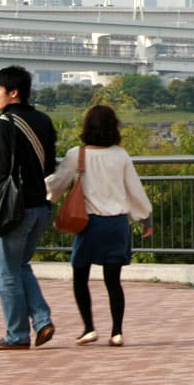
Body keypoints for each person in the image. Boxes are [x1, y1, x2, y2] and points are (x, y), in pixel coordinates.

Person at [46, 104, 153, 348]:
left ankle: (88, 328)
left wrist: (42, 194)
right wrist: (146, 218)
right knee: (113, 281)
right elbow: (134, 190)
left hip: (89, 224)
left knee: (80, 275)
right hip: (117, 224)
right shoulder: (120, 155)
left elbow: (57, 184)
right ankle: (117, 332)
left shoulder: (77, 154)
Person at [0, 65, 57, 351]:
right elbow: (49, 166)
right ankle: (41, 321)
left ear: (13, 93)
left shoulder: (2, 123)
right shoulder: (44, 120)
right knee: (20, 265)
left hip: (15, 208)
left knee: (8, 271)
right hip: (40, 205)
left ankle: (16, 335)